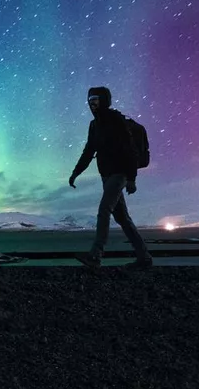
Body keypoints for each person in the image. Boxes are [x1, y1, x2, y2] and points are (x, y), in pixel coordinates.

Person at [69, 86, 153, 269]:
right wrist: (76, 172)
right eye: (90, 101)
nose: (92, 104)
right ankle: (144, 257)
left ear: (105, 100)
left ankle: (95, 255)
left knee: (104, 209)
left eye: (96, 100)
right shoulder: (94, 125)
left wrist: (131, 178)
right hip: (106, 175)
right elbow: (89, 151)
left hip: (120, 173)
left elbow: (130, 150)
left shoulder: (116, 120)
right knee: (123, 218)